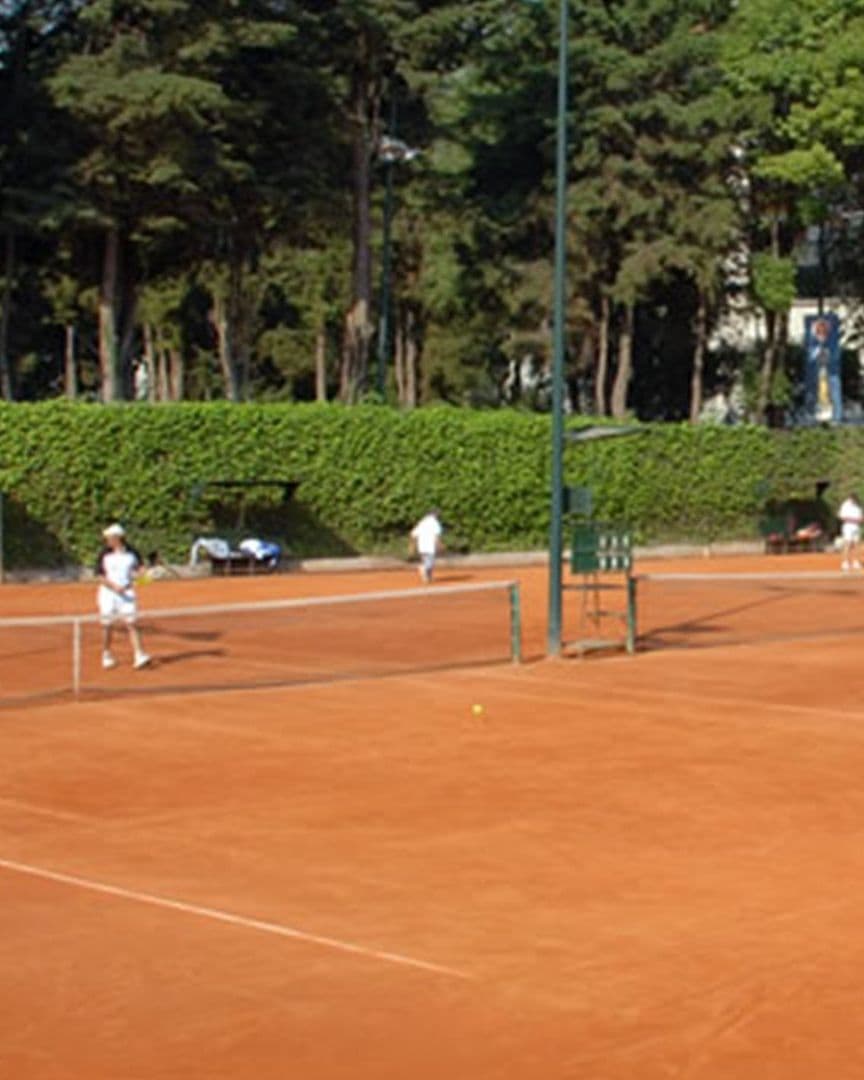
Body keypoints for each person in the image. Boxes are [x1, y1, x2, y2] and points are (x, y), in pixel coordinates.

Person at [96, 523, 151, 669]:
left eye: (109, 537)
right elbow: (100, 577)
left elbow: (141, 571)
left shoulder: (133, 553)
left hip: (127, 594)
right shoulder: (104, 554)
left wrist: (142, 577)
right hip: (108, 595)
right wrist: (114, 587)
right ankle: (106, 654)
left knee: (132, 624)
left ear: (118, 538)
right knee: (107, 626)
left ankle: (139, 655)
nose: (107, 540)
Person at [410, 510, 443, 584]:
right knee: (430, 562)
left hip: (421, 545)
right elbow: (437, 535)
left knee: (426, 561)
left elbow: (413, 534)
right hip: (430, 545)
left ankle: (428, 578)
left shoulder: (422, 522)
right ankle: (423, 569)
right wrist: (439, 544)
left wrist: (412, 546)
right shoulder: (435, 523)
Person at [838, 494, 863, 571]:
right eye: (853, 499)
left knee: (857, 544)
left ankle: (856, 562)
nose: (854, 500)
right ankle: (845, 563)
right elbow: (842, 517)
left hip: (857, 527)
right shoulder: (845, 505)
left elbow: (861, 517)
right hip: (848, 527)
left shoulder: (858, 506)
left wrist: (861, 519)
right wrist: (855, 520)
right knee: (847, 544)